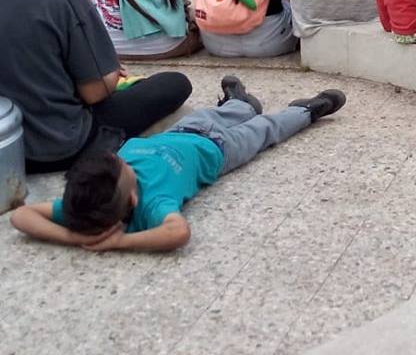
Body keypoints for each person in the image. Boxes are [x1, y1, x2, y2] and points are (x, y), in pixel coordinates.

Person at [10, 77, 346, 251]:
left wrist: (72, 237)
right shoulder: (152, 207)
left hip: (182, 131)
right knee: (264, 130)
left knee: (218, 113)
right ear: (132, 199)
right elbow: (178, 232)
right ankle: (306, 111)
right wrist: (117, 242)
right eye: (122, 167)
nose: (117, 157)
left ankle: (241, 103)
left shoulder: (83, 201)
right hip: (219, 151)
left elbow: (21, 216)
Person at [0, 0, 192, 173]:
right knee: (174, 83)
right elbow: (94, 92)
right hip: (59, 144)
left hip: (7, 143)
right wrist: (111, 72)